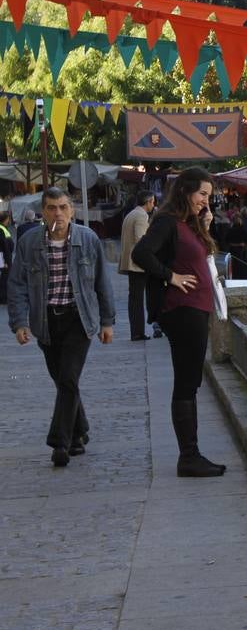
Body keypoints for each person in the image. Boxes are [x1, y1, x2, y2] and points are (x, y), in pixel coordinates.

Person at [8, 186, 116, 467]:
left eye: (63, 207)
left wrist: (107, 322)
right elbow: (17, 283)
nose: (58, 213)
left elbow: (103, 282)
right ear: (43, 212)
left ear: (73, 210)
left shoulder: (88, 239)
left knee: (68, 378)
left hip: (78, 318)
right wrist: (19, 322)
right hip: (45, 322)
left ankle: (60, 442)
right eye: (52, 208)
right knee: (63, 381)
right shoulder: (29, 242)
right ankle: (80, 432)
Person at [133, 167, 227, 478]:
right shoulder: (167, 221)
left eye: (208, 196)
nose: (205, 201)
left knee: (190, 383)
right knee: (186, 383)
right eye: (202, 194)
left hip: (195, 309)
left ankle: (191, 453)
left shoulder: (188, 223)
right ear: (185, 191)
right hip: (182, 309)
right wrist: (170, 276)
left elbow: (202, 257)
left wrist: (204, 225)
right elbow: (141, 253)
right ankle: (188, 456)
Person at [118, 190, 156, 341]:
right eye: (153, 202)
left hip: (131, 262)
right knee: (138, 299)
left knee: (134, 298)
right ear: (147, 202)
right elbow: (141, 240)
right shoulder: (141, 216)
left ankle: (136, 331)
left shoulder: (131, 214)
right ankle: (138, 332)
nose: (153, 205)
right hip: (138, 264)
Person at [224, 209, 247, 280]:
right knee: (243, 270)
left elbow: (225, 241)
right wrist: (242, 244)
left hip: (233, 252)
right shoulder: (244, 230)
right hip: (242, 253)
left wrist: (232, 244)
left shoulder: (230, 230)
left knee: (234, 270)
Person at [0, 209, 13, 303]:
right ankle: (3, 298)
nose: (9, 221)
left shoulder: (3, 228)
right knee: (4, 278)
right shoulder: (2, 230)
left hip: (2, 258)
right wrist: (6, 262)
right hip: (3, 258)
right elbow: (5, 247)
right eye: (8, 219)